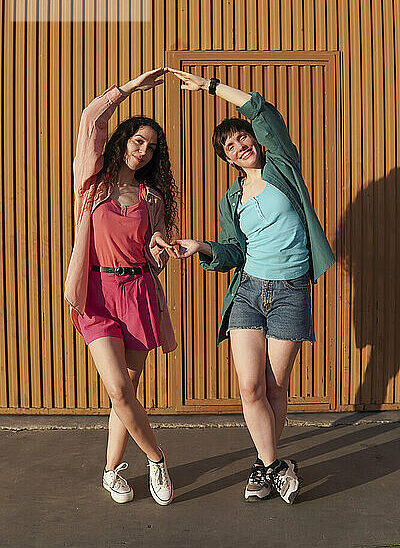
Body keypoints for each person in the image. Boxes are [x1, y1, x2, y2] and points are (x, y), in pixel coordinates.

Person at [168, 67, 334, 505]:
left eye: (242, 140)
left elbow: (260, 110)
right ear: (226, 159)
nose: (239, 148)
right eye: (229, 148)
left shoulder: (282, 167)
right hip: (248, 291)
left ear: (256, 142)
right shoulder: (231, 199)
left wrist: (210, 87)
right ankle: (276, 465)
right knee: (250, 387)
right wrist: (201, 247)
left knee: (276, 387)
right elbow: (233, 251)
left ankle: (264, 467)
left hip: (290, 290)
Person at [64, 68, 178, 505]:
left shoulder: (153, 200)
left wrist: (162, 250)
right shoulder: (91, 184)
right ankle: (156, 457)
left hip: (138, 295)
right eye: (137, 141)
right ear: (122, 140)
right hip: (96, 293)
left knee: (125, 394)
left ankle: (112, 471)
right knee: (117, 388)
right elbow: (91, 119)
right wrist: (128, 89)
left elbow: (153, 251)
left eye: (151, 147)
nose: (143, 151)